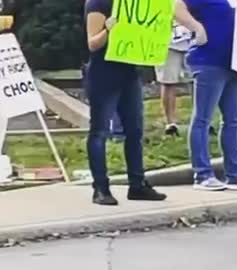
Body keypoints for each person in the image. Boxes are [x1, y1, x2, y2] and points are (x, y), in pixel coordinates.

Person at [175, 0, 237, 191]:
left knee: (233, 120)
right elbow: (176, 7)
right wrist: (196, 27)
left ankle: (236, 174)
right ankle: (202, 174)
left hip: (233, 62)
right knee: (203, 118)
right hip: (209, 60)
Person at [84, 0, 167, 205]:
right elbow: (92, 43)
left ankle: (137, 184)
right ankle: (101, 188)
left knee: (135, 130)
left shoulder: (135, 4)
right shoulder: (98, 3)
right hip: (103, 74)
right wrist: (108, 29)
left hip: (128, 73)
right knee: (100, 131)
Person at [155, 24, 193, 137]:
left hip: (194, 40)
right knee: (168, 82)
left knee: (197, 82)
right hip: (167, 40)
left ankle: (201, 121)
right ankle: (171, 123)